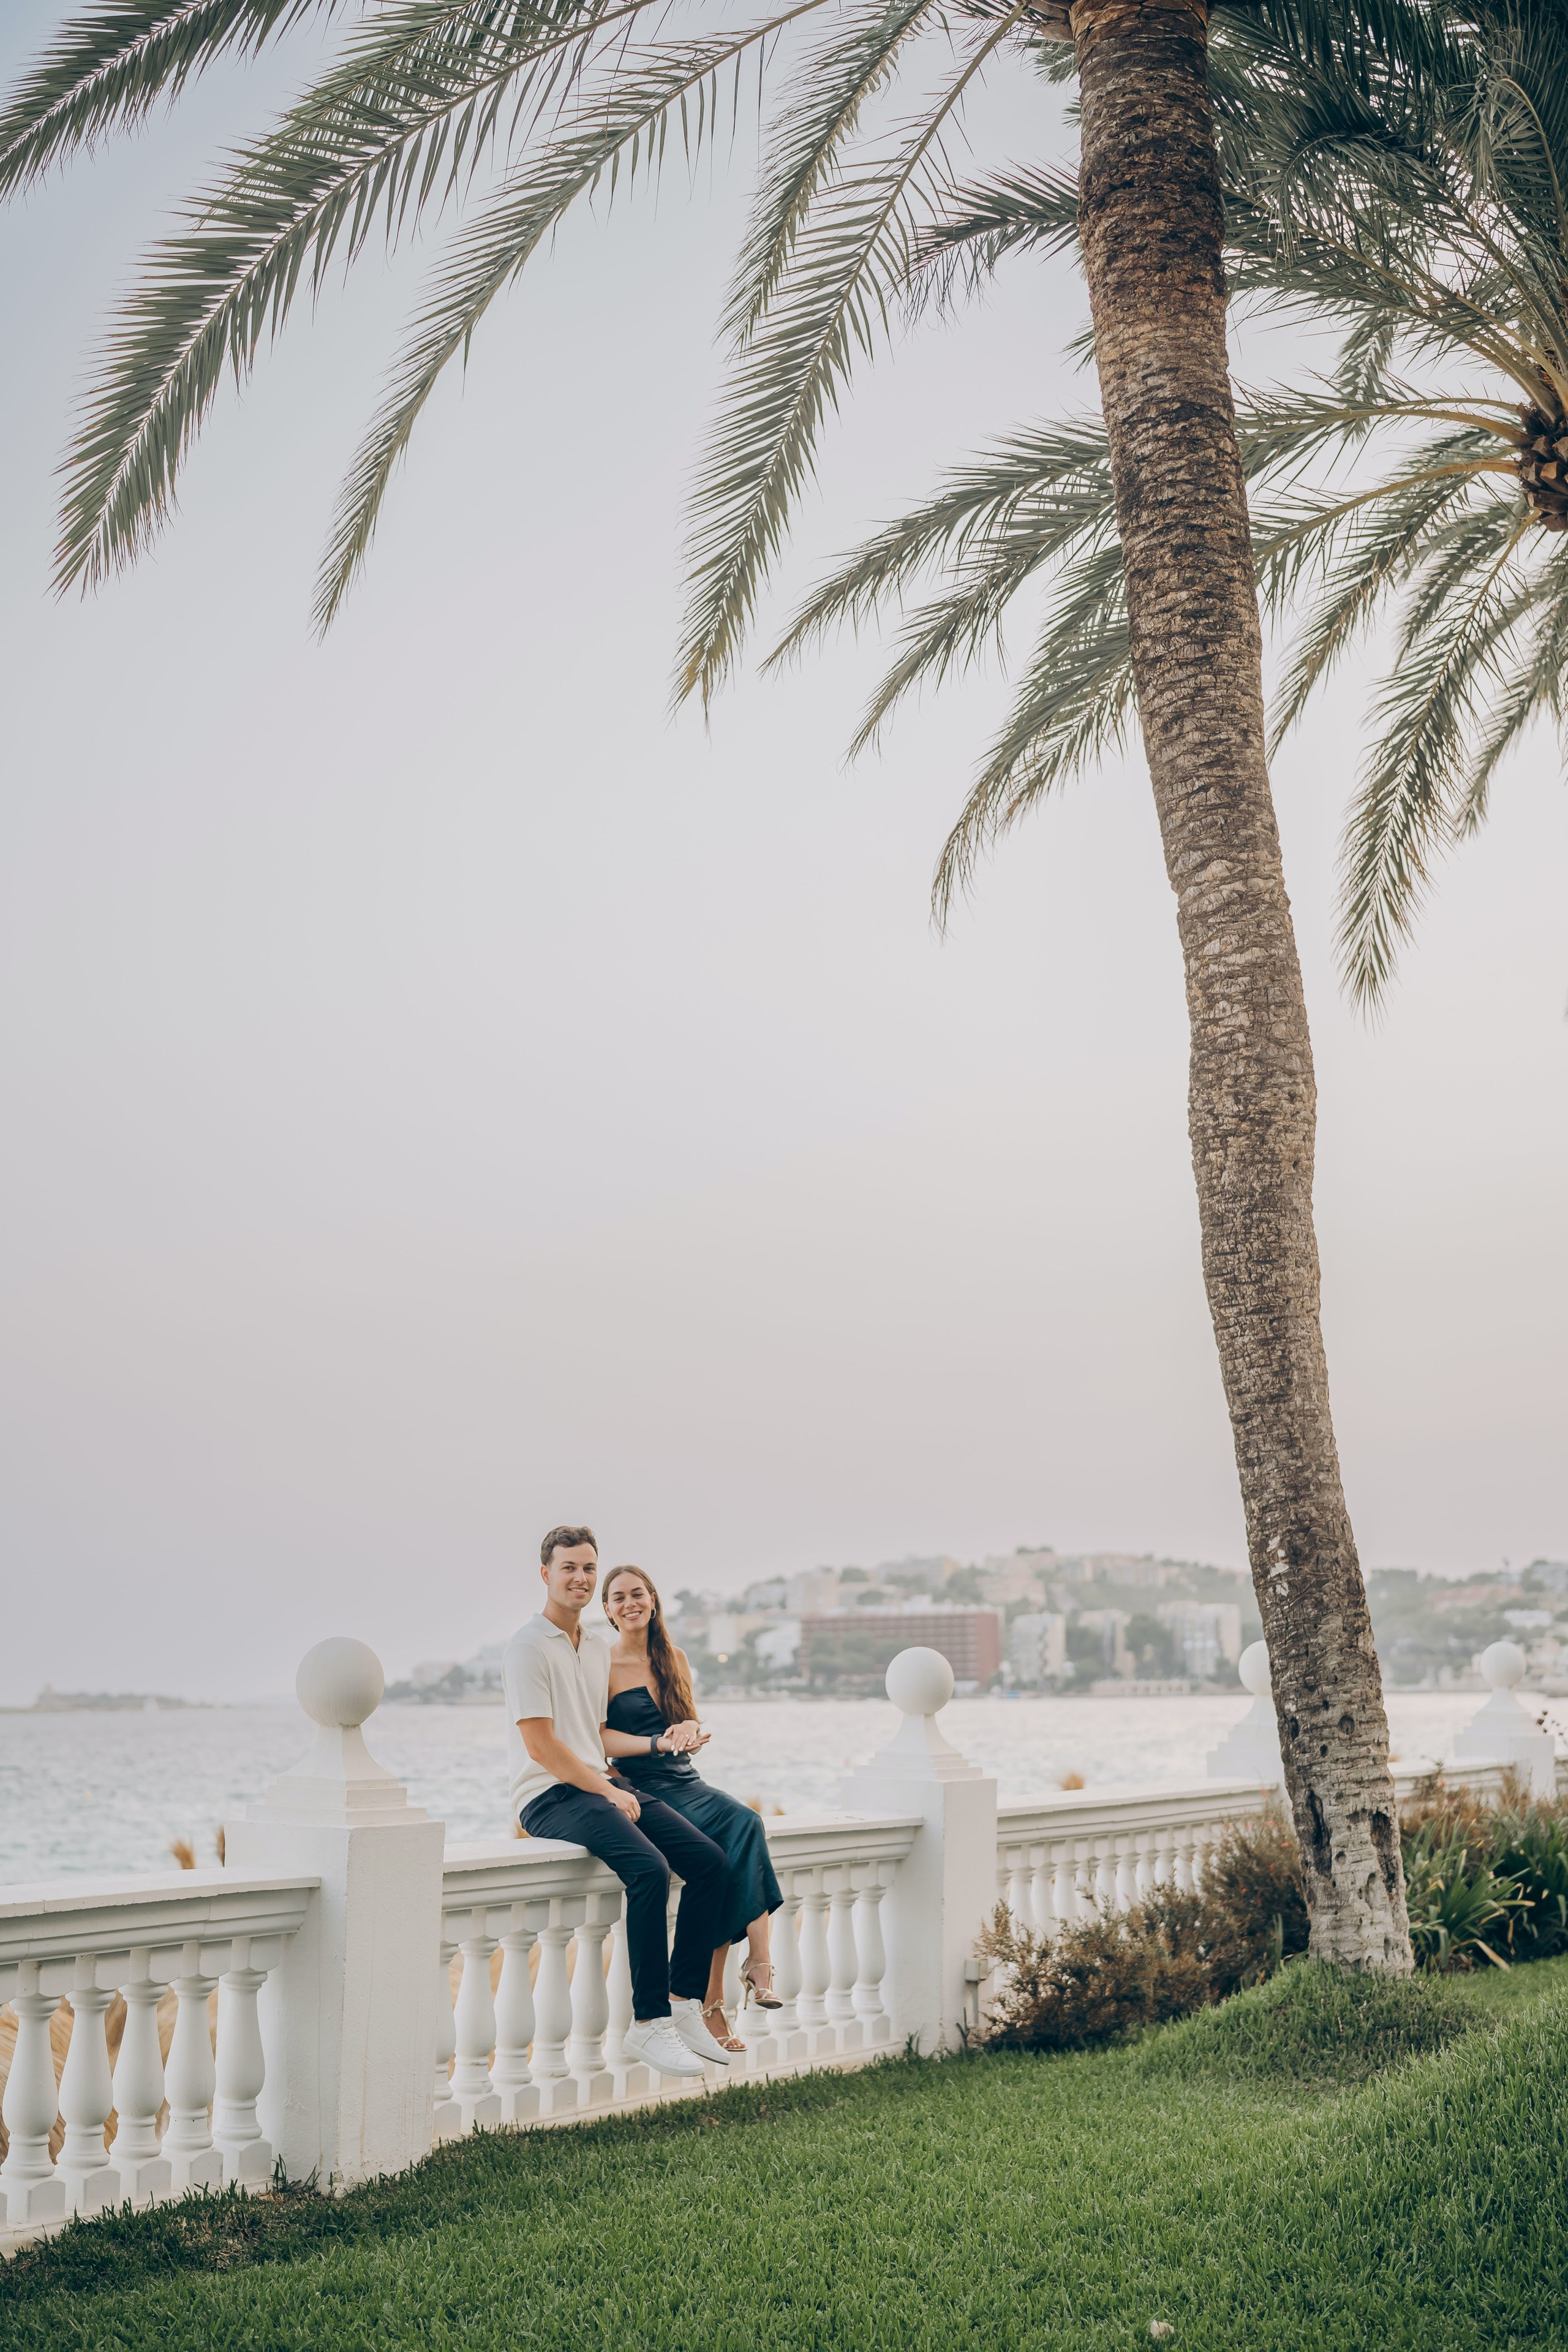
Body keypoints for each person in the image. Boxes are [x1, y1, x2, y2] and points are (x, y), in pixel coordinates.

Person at [503, 1525, 736, 2081]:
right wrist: (607, 1789)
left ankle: (683, 2004)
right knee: (650, 1869)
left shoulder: (596, 1648)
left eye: (588, 1568)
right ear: (546, 1575)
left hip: (600, 1783)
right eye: (569, 1568)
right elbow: (540, 1745)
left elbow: (596, 1731)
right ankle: (648, 2022)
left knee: (710, 1864)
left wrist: (659, 1747)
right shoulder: (528, 1646)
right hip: (549, 1794)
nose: (580, 1578)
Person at [601, 1564, 783, 2055]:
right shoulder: (602, 1663)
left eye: (637, 1594)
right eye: (618, 1598)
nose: (629, 1603)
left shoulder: (674, 1657)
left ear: (654, 1600)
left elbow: (687, 1717)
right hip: (643, 1784)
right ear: (607, 1611)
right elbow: (601, 1737)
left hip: (686, 1778)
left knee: (746, 1822)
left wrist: (691, 1732)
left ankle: (754, 1965)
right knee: (720, 1857)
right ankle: (718, 1996)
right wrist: (659, 1742)